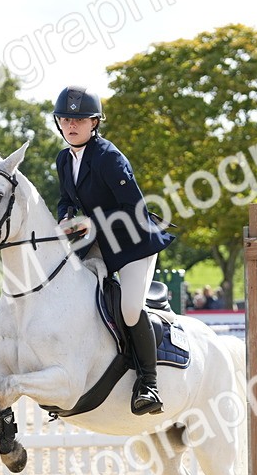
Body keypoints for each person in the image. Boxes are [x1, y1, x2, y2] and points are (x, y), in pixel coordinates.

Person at [53, 84, 175, 415]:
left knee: (130, 310)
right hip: (100, 242)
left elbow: (133, 209)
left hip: (134, 242)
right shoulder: (64, 159)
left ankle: (148, 383)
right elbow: (66, 199)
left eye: (79, 120)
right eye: (65, 119)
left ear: (94, 123)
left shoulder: (109, 157)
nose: (71, 125)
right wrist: (65, 216)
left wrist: (88, 222)